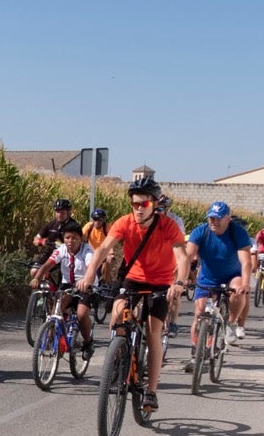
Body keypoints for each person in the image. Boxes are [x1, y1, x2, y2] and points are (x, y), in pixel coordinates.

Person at [76, 176, 188, 413]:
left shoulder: (168, 226)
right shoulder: (124, 223)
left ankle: (151, 391)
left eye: (143, 204)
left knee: (152, 331)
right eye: (134, 204)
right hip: (133, 278)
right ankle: (118, 357)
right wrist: (88, 276)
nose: (138, 209)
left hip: (161, 283)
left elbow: (182, 256)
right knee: (117, 315)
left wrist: (179, 282)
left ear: (154, 204)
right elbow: (103, 249)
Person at [182, 201, 253, 371]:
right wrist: (182, 279)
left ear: (228, 218)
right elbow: (187, 256)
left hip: (232, 276)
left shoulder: (238, 233)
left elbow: (246, 262)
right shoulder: (201, 231)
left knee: (237, 291)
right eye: (211, 218)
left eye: (218, 218)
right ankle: (196, 355)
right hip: (207, 277)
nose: (214, 221)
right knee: (199, 314)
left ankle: (231, 323)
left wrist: (245, 284)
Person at [29, 223, 96, 358]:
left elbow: (90, 268)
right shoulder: (62, 250)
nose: (70, 241)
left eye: (74, 238)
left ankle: (88, 342)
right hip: (68, 285)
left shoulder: (87, 250)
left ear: (81, 238)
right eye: (67, 238)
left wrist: (86, 281)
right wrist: (37, 278)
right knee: (56, 307)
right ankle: (55, 336)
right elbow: (47, 265)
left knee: (81, 314)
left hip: (86, 286)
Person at [33, 198, 81, 286]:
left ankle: (54, 293)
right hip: (50, 254)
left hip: (65, 257)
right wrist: (41, 241)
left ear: (68, 213)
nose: (59, 215)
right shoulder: (51, 224)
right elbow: (36, 239)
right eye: (57, 212)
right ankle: (42, 295)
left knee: (63, 283)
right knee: (34, 271)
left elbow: (79, 242)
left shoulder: (73, 226)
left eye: (62, 212)